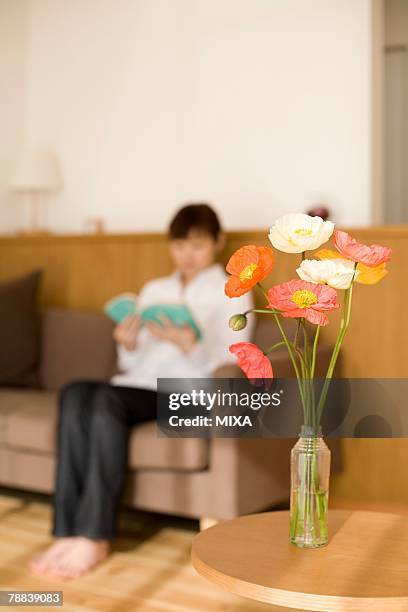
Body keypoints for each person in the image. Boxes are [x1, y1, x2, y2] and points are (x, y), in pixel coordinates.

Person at [29, 203, 254, 579]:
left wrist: (189, 344)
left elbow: (234, 361)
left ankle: (95, 536)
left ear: (219, 242)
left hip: (189, 393)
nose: (187, 255)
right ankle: (67, 530)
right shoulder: (155, 290)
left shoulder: (233, 293)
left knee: (104, 401)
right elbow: (134, 366)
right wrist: (128, 344)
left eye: (197, 246)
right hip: (139, 385)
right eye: (179, 245)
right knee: (74, 392)